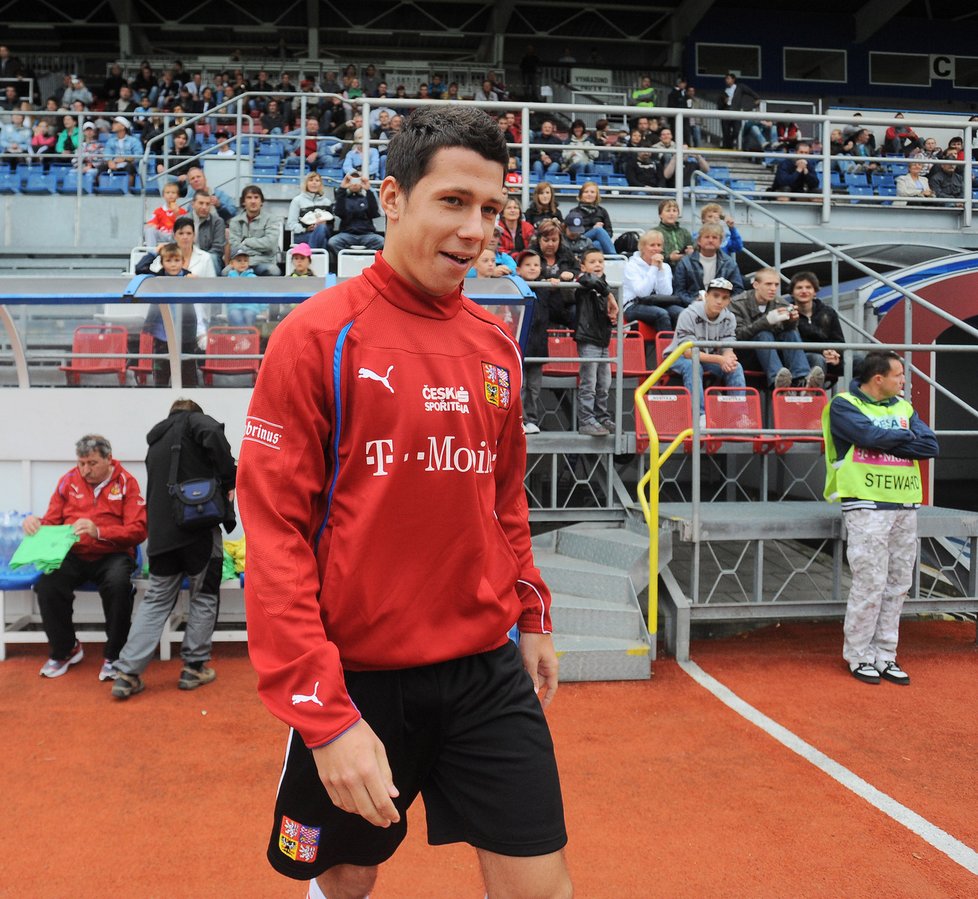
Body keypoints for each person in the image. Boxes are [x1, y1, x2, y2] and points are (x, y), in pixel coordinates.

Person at [236, 104, 569, 899]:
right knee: (348, 873)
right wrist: (324, 714)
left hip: (486, 669)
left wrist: (531, 613)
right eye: (453, 202)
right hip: (360, 676)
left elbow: (503, 500)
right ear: (392, 198)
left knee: (543, 887)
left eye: (491, 209)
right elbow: (274, 534)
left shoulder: (495, 343)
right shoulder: (317, 337)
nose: (476, 229)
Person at [822, 350, 939, 686]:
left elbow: (930, 446)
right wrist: (904, 439)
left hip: (904, 505)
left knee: (898, 584)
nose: (904, 381)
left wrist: (890, 439)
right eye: (899, 375)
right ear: (878, 379)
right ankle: (859, 655)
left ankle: (885, 654)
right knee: (870, 582)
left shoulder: (904, 408)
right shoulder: (844, 405)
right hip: (866, 504)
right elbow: (868, 437)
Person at [111, 399, 237, 700]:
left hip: (161, 538)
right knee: (204, 597)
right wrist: (229, 477)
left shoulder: (155, 441)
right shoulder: (193, 423)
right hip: (198, 532)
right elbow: (211, 431)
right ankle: (194, 668)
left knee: (155, 602)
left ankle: (127, 673)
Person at [25, 435, 147, 681]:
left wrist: (99, 532)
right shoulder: (67, 481)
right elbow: (51, 522)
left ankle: (115, 656)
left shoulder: (126, 482)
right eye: (81, 463)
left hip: (113, 554)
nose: (85, 470)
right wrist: (36, 523)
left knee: (118, 586)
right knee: (47, 585)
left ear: (108, 459)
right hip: (74, 554)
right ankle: (66, 649)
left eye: (92, 463)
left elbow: (139, 529)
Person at [666, 277, 747, 424]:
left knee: (736, 367)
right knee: (693, 365)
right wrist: (721, 359)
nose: (719, 301)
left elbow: (728, 344)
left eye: (725, 298)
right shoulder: (688, 314)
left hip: (707, 357)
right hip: (677, 357)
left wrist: (729, 358)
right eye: (716, 296)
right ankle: (700, 417)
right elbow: (688, 352)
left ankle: (738, 418)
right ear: (707, 296)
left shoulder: (729, 318)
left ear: (729, 301)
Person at [729, 267, 823, 389]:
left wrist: (792, 322)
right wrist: (765, 321)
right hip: (746, 356)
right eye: (768, 284)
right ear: (756, 285)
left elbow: (788, 334)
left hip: (776, 357)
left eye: (776, 285)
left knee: (790, 333)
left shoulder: (781, 303)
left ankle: (801, 380)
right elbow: (737, 337)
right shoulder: (737, 303)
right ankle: (777, 382)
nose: (773, 289)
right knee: (763, 334)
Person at [574, 247, 619, 437]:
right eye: (592, 262)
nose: (598, 264)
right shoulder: (586, 282)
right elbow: (587, 279)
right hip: (588, 340)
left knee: (604, 383)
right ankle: (586, 420)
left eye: (600, 261)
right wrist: (609, 295)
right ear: (583, 266)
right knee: (589, 383)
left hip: (603, 341)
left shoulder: (603, 285)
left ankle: (601, 416)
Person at [621, 229, 680, 334]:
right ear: (642, 247)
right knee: (661, 314)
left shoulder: (665, 267)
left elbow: (666, 293)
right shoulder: (631, 266)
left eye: (659, 245)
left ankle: (684, 347)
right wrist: (653, 268)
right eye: (652, 245)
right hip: (633, 305)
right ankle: (667, 350)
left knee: (681, 313)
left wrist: (660, 270)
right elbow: (642, 293)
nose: (656, 249)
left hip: (657, 302)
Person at [790, 271, 844, 385]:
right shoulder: (788, 313)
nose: (804, 291)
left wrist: (834, 353)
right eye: (799, 288)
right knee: (817, 359)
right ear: (792, 293)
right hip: (803, 359)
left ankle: (865, 400)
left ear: (815, 292)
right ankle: (814, 398)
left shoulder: (828, 312)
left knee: (860, 361)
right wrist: (822, 351)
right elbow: (793, 344)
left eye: (808, 287)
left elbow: (839, 341)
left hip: (830, 359)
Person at [673, 224, 744, 306]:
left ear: (720, 242)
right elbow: (679, 291)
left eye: (714, 237)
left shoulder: (729, 263)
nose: (710, 240)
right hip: (692, 305)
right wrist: (693, 302)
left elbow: (738, 290)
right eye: (707, 237)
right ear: (699, 241)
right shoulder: (685, 262)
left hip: (721, 306)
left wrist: (723, 302)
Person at [327, 172, 385, 264]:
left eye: (357, 181)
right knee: (333, 242)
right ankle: (348, 262)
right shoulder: (343, 198)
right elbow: (339, 212)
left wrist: (368, 190)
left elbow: (374, 213)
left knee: (382, 242)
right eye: (351, 181)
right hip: (347, 234)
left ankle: (365, 262)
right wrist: (342, 187)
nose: (354, 184)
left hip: (367, 234)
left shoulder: (367, 198)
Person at [227, 185, 281, 276]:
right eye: (249, 198)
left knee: (273, 271)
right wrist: (258, 250)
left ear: (261, 201)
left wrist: (246, 242)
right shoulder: (235, 221)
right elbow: (235, 247)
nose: (253, 201)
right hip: (240, 262)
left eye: (256, 197)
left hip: (264, 261)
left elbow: (270, 244)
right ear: (243, 202)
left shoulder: (271, 219)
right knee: (225, 272)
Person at [566, 180, 615, 256]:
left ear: (596, 195)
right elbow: (572, 232)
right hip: (580, 240)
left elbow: (610, 233)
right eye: (586, 192)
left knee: (597, 244)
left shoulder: (602, 211)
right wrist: (593, 230)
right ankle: (616, 258)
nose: (589, 194)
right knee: (598, 230)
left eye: (592, 192)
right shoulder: (574, 212)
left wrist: (599, 233)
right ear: (581, 195)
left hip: (596, 241)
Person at [287, 171, 334, 250]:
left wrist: (325, 223)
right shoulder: (297, 200)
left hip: (323, 232)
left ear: (320, 184)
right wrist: (305, 229)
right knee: (324, 241)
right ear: (306, 183)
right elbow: (292, 223)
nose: (314, 183)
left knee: (321, 228)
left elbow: (331, 226)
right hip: (303, 235)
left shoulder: (327, 202)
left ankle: (309, 257)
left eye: (317, 181)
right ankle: (319, 258)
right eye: (311, 180)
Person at [718, 73, 759, 150]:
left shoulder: (739, 87)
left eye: (728, 79)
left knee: (736, 131)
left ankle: (729, 143)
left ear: (733, 80)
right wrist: (724, 102)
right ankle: (728, 147)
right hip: (726, 111)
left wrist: (756, 98)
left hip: (736, 111)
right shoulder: (724, 91)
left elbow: (749, 91)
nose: (726, 80)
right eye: (726, 79)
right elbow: (719, 104)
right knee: (726, 131)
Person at [190, 189, 226, 275]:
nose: (204, 207)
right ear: (193, 204)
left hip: (209, 256)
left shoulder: (218, 222)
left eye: (207, 204)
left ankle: (214, 287)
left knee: (212, 258)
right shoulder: (182, 220)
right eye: (201, 203)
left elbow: (218, 248)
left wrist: (202, 258)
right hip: (188, 256)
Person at [144, 180, 187, 246]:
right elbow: (152, 223)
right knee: (149, 230)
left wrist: (177, 214)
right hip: (162, 234)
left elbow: (184, 227)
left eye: (173, 193)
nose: (170, 195)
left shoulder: (182, 211)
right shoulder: (158, 211)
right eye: (167, 192)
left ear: (178, 195)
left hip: (175, 235)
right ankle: (152, 252)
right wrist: (152, 225)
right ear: (163, 195)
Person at [656, 198, 693, 265]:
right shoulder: (654, 232)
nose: (671, 213)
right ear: (660, 214)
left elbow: (693, 251)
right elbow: (651, 254)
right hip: (662, 268)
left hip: (683, 267)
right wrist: (669, 258)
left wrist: (690, 252)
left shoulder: (684, 232)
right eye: (668, 211)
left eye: (674, 211)